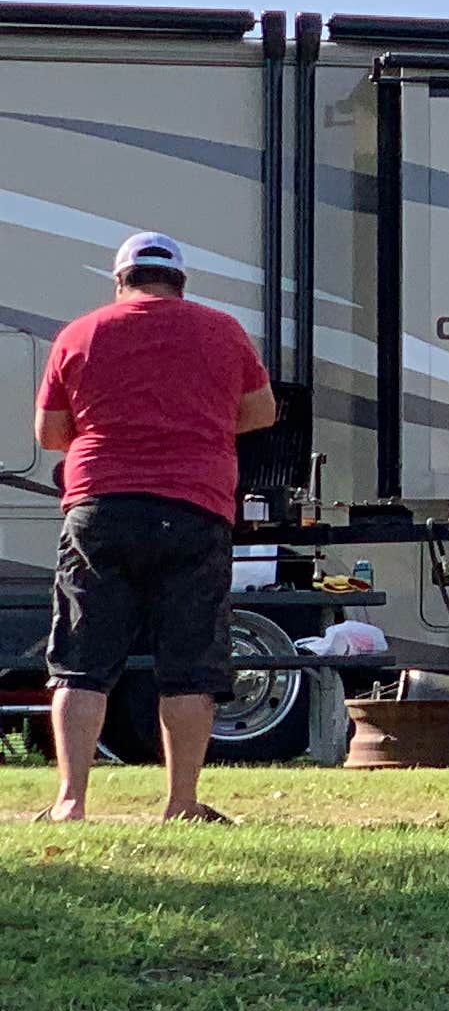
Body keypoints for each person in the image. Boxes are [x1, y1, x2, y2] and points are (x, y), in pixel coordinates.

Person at [34, 231, 278, 825]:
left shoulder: (82, 333)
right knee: (190, 664)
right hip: (194, 507)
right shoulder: (222, 331)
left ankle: (71, 801)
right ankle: (181, 802)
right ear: (181, 281)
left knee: (81, 659)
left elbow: (49, 432)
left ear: (121, 280)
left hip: (101, 507)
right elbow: (263, 411)